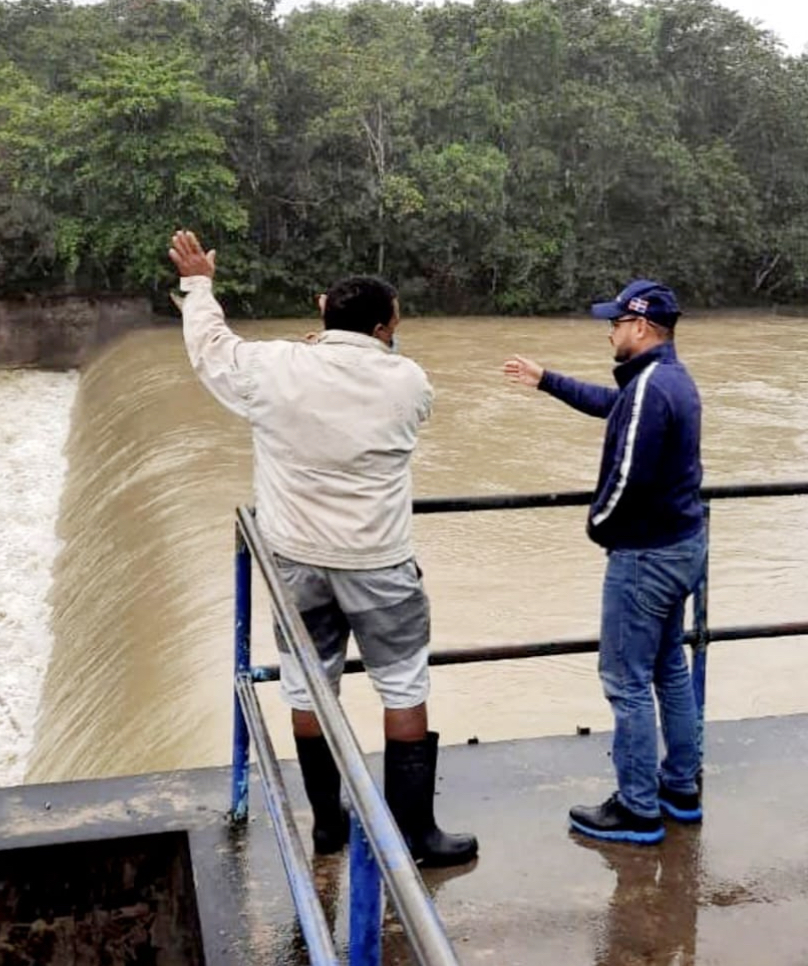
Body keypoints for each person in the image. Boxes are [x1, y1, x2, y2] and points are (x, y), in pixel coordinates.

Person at [168, 229, 477, 866]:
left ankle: (328, 825)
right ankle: (416, 835)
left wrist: (200, 285)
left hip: (296, 561)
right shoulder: (409, 381)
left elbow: (209, 349)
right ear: (387, 324)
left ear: (321, 311)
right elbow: (390, 390)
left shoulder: (272, 368)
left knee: (307, 691)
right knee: (403, 686)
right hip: (380, 563)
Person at [503, 278, 706, 845]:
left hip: (646, 555)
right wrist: (547, 381)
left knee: (626, 679)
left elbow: (628, 478)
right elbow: (613, 407)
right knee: (668, 668)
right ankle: (680, 789)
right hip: (682, 545)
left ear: (640, 327)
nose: (610, 332)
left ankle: (638, 808)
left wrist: (598, 525)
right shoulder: (669, 380)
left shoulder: (650, 388)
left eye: (615, 323)